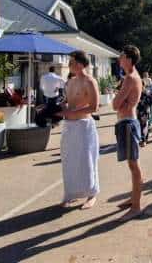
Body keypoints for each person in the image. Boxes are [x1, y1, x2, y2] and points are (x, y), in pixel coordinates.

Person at [58, 51, 100, 209]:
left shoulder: (90, 81)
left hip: (84, 126)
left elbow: (94, 107)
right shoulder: (69, 82)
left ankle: (92, 194)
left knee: (87, 161)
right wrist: (55, 108)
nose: (69, 65)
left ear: (80, 64)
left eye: (71, 62)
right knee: (69, 161)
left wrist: (72, 112)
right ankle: (71, 193)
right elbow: (67, 102)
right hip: (69, 126)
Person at [112, 45, 143, 221]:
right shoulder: (130, 77)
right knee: (132, 165)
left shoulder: (130, 78)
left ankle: (136, 206)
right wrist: (121, 102)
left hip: (128, 123)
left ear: (129, 59)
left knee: (134, 166)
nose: (119, 58)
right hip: (127, 122)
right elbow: (119, 104)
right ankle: (133, 199)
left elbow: (115, 104)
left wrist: (120, 101)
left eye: (122, 56)